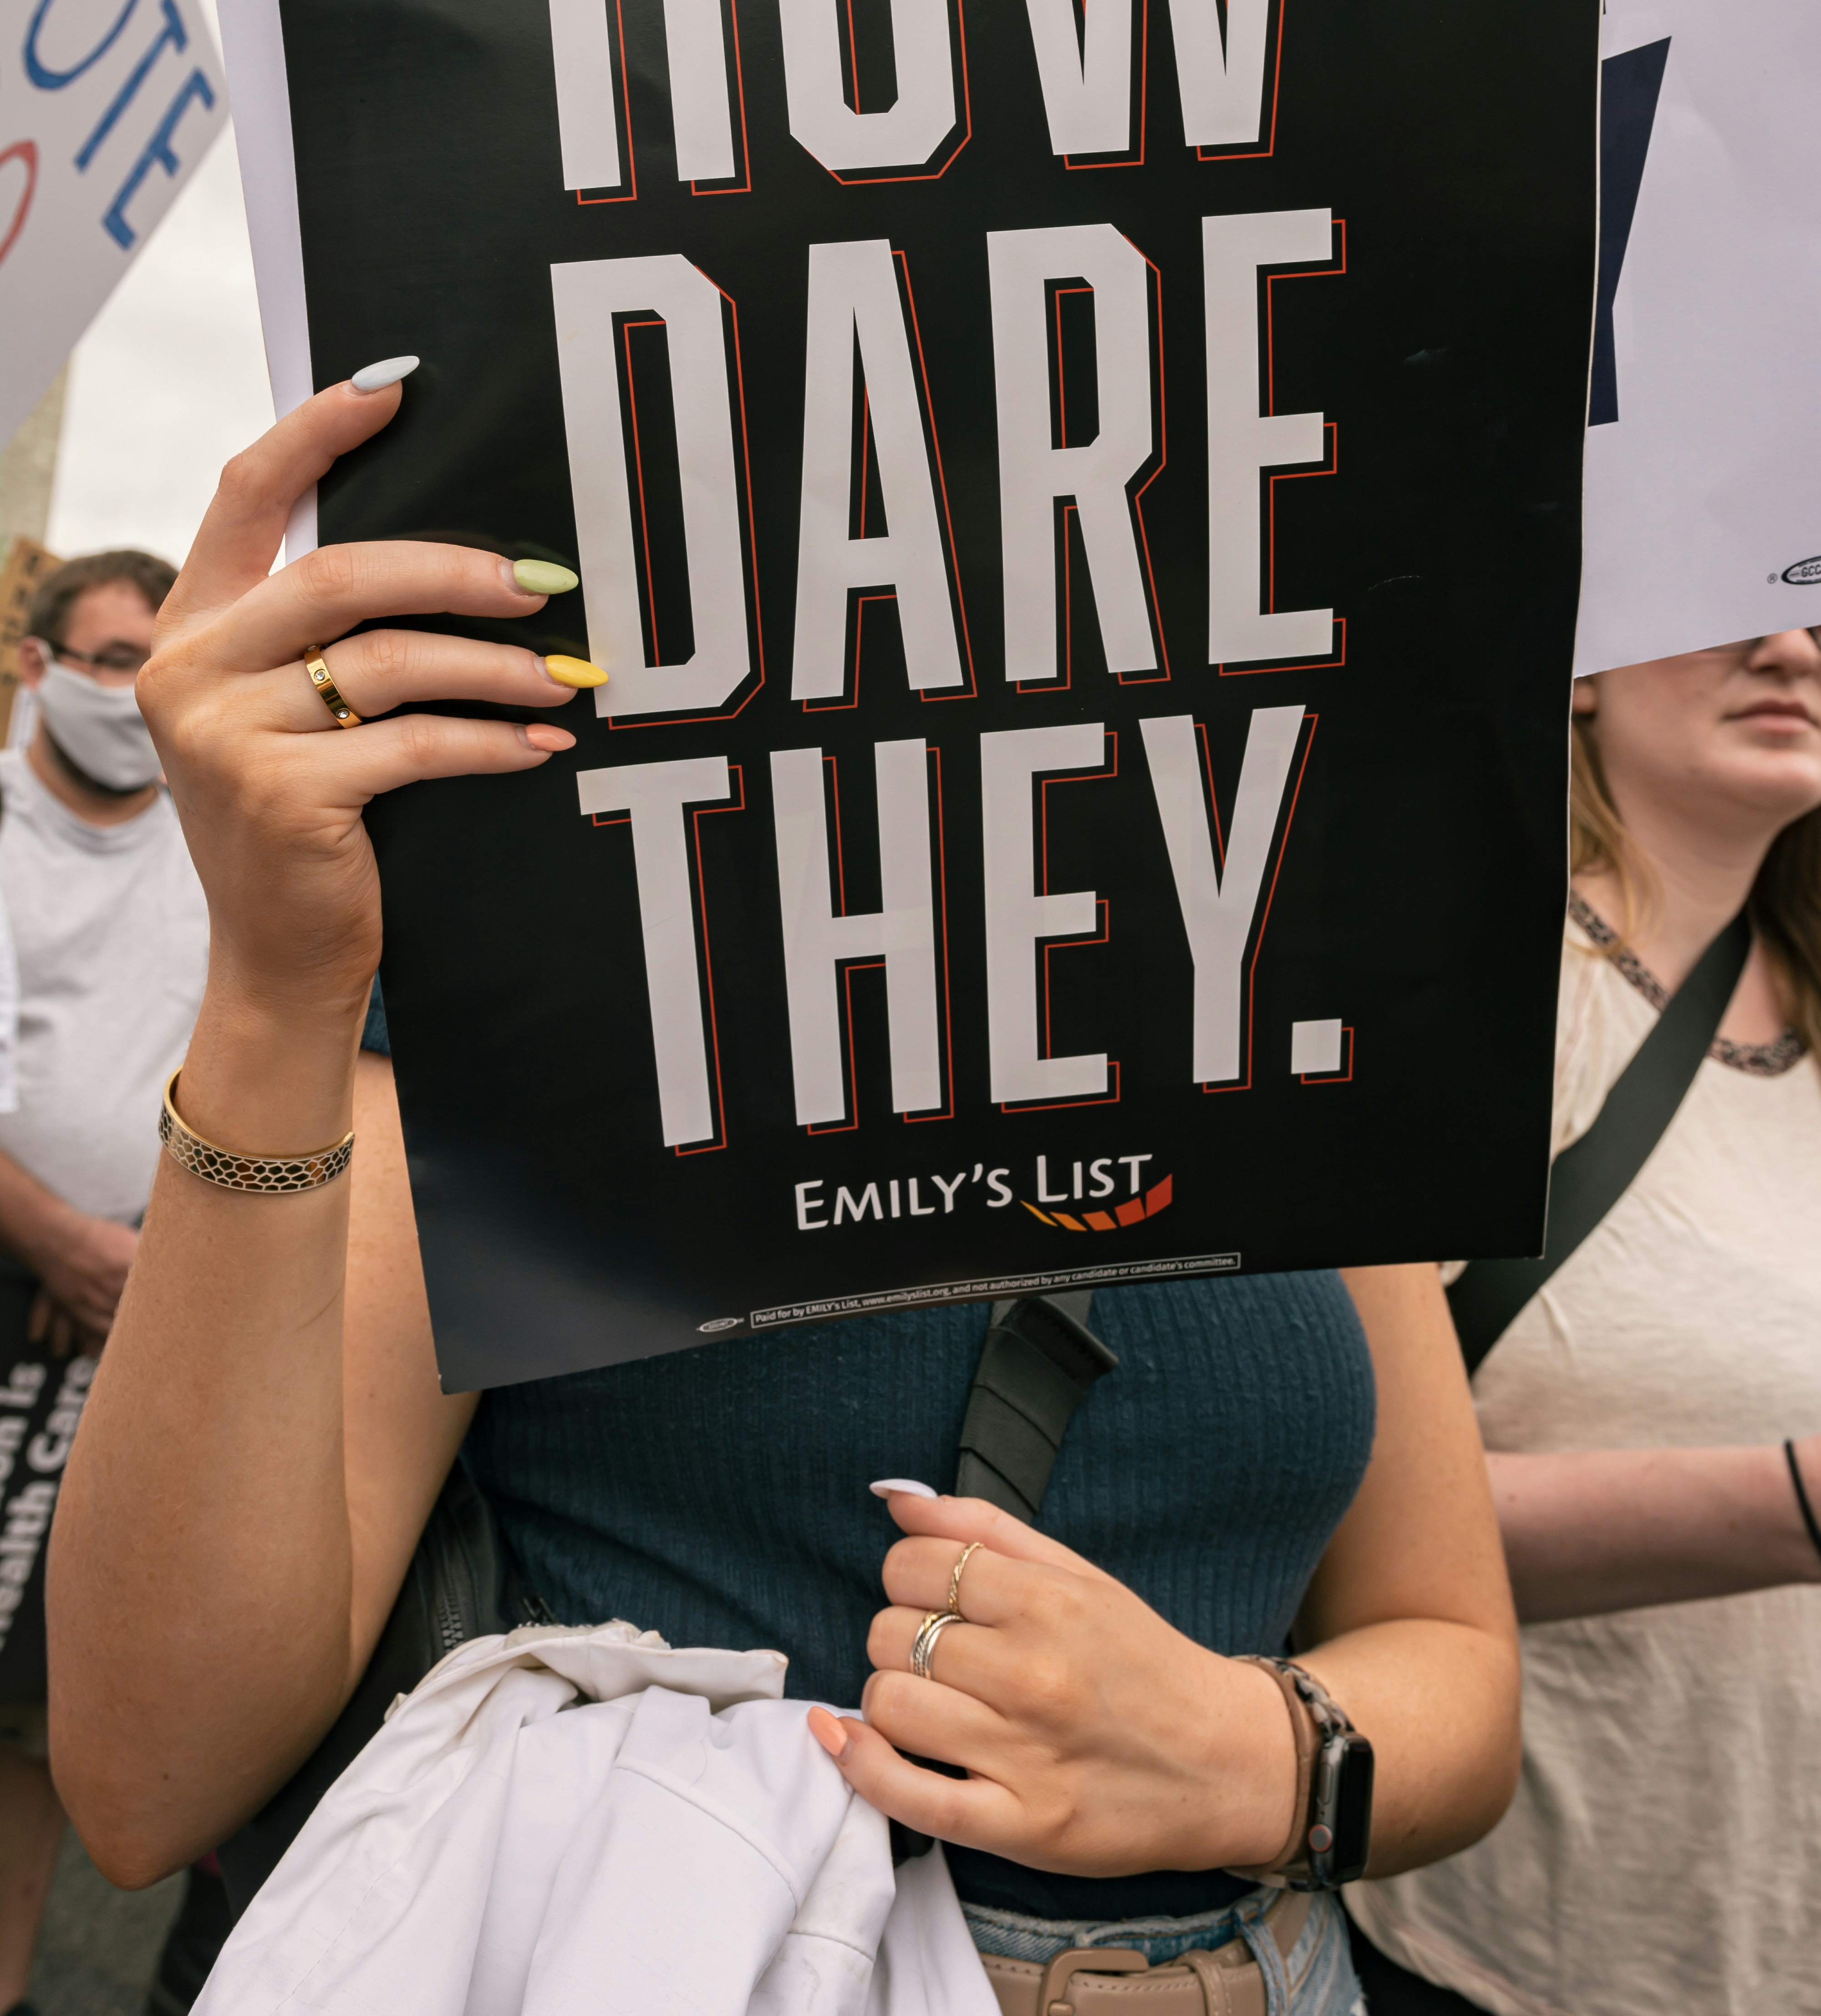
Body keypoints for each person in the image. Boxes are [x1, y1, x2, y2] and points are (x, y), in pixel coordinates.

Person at [49, 381, 1526, 2014]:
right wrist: (274, 992)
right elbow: (143, 1778)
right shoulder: (539, 928)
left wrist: (1253, 1753)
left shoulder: (1280, 950)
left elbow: (1459, 1669)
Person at [1348, 630, 1821, 2016]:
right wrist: (1791, 1503)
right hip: (1497, 1961)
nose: (1792, 642)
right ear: (1580, 664)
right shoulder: (1483, 994)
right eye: (1727, 591)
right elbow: (1335, 1519)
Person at [0, 550, 209, 2016]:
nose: (140, 695)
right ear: (37, 664)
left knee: (35, 1717)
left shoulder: (214, 842)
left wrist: (138, 1261)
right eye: (116, 658)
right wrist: (55, 1238)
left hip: (124, 1327)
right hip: (38, 1291)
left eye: (165, 661)